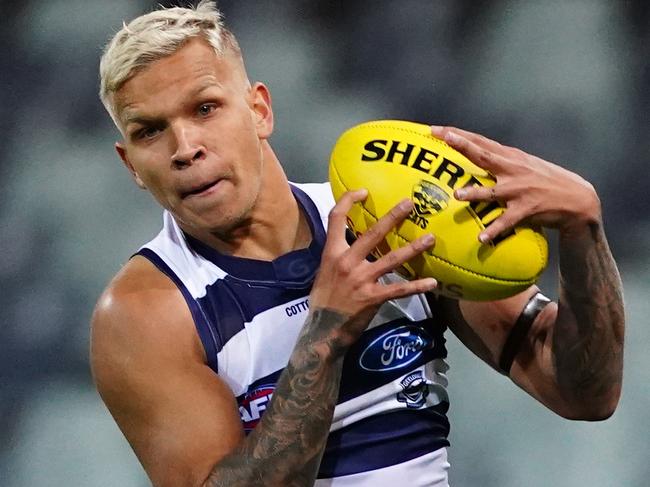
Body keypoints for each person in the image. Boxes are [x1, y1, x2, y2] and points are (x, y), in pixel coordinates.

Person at [90, 2, 625, 486]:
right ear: (129, 163)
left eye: (205, 108)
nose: (185, 148)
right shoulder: (144, 313)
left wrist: (584, 231)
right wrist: (324, 338)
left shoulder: (392, 222)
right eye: (150, 132)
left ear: (259, 110)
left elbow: (584, 392)